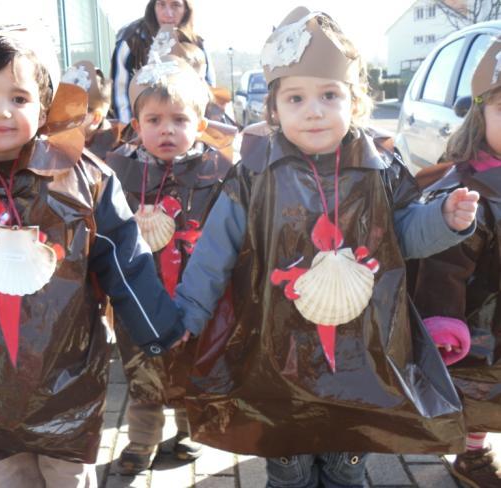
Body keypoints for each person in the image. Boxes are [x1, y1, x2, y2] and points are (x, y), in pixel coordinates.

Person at [173, 7, 480, 488]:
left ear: (354, 101)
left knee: (348, 455)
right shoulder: (255, 173)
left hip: (367, 346)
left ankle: (343, 471)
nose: (314, 109)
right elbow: (216, 250)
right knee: (288, 458)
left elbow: (406, 238)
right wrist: (188, 315)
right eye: (296, 97)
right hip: (276, 347)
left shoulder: (380, 169)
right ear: (274, 109)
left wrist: (443, 221)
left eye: (329, 95)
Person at [0, 25, 185, 488]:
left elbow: (124, 258)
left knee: (67, 477)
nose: (1, 111)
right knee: (10, 477)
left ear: (45, 107)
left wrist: (157, 328)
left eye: (19, 99)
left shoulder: (84, 180)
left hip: (67, 375)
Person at [105, 53, 235, 474]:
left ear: (199, 125)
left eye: (179, 120)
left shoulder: (217, 171)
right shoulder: (118, 171)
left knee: (191, 368)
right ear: (137, 124)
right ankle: (141, 442)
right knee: (143, 370)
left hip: (196, 291)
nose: (166, 130)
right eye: (154, 119)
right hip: (140, 294)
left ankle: (187, 433)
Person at [412, 38, 501, 488]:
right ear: (480, 115)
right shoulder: (468, 192)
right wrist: (443, 321)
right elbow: (443, 265)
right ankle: (471, 454)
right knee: (483, 390)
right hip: (480, 318)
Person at [110, 0, 215, 123]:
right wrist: (132, 133)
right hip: (143, 132)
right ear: (153, 6)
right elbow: (120, 94)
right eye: (161, 4)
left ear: (186, 8)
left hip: (187, 131)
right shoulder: (131, 41)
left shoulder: (197, 43)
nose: (168, 13)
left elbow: (209, 91)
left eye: (176, 5)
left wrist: (196, 134)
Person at [62, 60, 127, 160]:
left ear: (96, 118)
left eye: (73, 115)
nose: (64, 120)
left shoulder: (124, 143)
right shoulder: (60, 141)